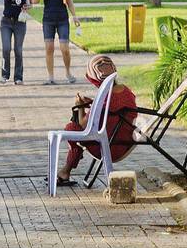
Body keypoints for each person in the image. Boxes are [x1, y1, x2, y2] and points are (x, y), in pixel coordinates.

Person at [53, 55, 136, 188]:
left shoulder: (104, 98)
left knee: (71, 128)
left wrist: (80, 106)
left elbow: (84, 125)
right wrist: (93, 104)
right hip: (124, 140)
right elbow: (113, 111)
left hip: (108, 146)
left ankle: (67, 168)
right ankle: (65, 171)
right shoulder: (126, 91)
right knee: (75, 128)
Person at [32, 0, 79, 84]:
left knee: (65, 48)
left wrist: (74, 16)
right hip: (48, 20)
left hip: (62, 19)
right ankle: (51, 77)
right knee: (49, 48)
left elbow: (69, 0)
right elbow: (35, 1)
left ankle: (68, 73)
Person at [0, 0, 32, 84]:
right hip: (6, 21)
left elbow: (30, 2)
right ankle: (4, 75)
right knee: (6, 48)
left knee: (18, 50)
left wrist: (28, 6)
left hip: (20, 22)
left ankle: (18, 77)